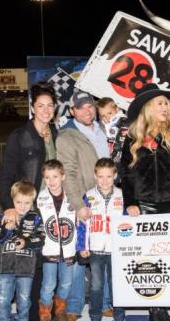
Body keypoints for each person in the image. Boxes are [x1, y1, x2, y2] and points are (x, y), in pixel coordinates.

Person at [120, 83, 170, 321]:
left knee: (167, 257)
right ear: (149, 108)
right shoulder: (133, 136)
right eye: (161, 103)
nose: (166, 107)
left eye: (166, 103)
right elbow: (126, 174)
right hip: (144, 207)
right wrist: (130, 202)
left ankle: (163, 303)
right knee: (148, 260)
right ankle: (156, 309)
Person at [0, 82, 57, 321]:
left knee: (44, 264)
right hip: (26, 209)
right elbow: (6, 174)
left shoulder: (54, 134)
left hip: (50, 209)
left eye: (50, 105)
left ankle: (41, 314)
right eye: (41, 106)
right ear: (33, 108)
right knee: (26, 267)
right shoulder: (20, 136)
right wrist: (9, 207)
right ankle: (26, 314)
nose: (46, 110)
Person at [56, 89, 110, 321]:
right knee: (80, 254)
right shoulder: (66, 136)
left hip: (107, 198)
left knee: (106, 251)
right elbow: (69, 172)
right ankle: (75, 306)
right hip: (84, 201)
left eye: (90, 106)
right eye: (81, 107)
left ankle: (106, 302)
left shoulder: (102, 129)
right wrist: (78, 204)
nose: (87, 110)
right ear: (72, 111)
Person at [0, 181, 44, 321]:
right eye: (19, 202)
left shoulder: (36, 218)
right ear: (12, 200)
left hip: (26, 267)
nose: (22, 206)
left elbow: (42, 239)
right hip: (4, 266)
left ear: (32, 201)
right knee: (3, 299)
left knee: (24, 301)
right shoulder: (3, 216)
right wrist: (6, 229)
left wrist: (26, 243)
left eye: (27, 203)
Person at [78, 158, 126, 321]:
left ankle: (119, 314)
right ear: (94, 176)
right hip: (96, 249)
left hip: (116, 250)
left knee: (116, 285)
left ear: (115, 176)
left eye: (108, 176)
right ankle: (95, 315)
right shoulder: (89, 196)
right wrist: (82, 246)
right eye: (100, 176)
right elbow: (82, 224)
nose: (104, 181)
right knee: (96, 285)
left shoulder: (123, 196)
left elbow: (129, 225)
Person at [37, 160, 76, 321]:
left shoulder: (73, 197)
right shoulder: (40, 199)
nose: (51, 181)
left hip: (69, 249)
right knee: (48, 284)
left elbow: (80, 224)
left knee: (66, 283)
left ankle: (60, 310)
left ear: (63, 176)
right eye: (47, 178)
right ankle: (45, 312)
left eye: (55, 177)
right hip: (49, 251)